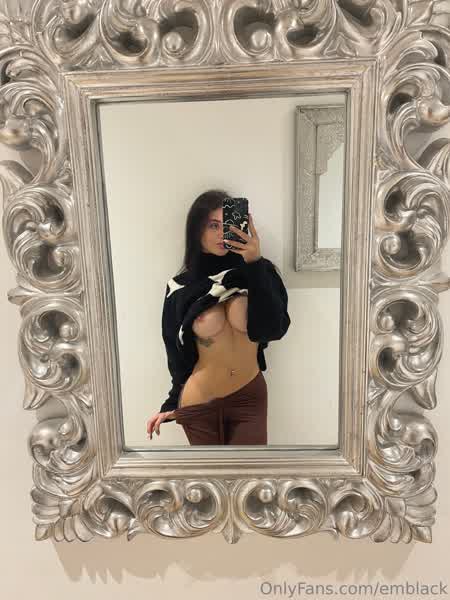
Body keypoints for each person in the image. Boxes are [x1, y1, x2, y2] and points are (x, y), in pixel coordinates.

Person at [146, 189, 291, 445]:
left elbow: (272, 330)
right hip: (199, 401)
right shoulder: (179, 288)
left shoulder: (258, 272)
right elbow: (175, 353)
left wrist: (254, 263)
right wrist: (171, 403)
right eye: (213, 225)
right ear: (196, 230)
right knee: (209, 473)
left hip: (249, 397)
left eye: (227, 225)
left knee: (251, 471)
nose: (221, 234)